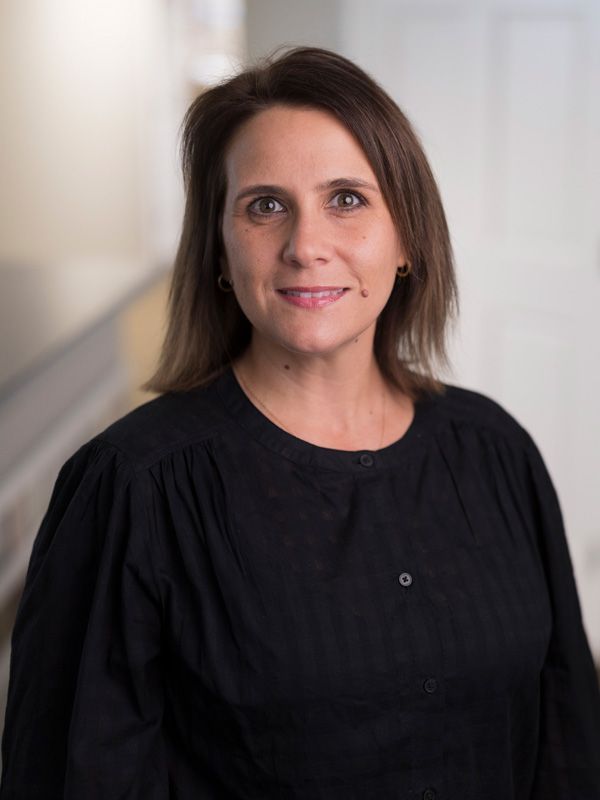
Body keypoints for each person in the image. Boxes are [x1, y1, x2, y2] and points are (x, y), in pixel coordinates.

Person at [1, 46, 599, 800]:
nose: (305, 245)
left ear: (407, 237)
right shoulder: (132, 489)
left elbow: (568, 739)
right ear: (220, 250)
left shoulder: (496, 451)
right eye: (265, 205)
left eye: (347, 198)